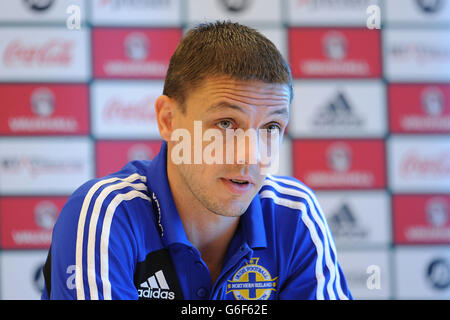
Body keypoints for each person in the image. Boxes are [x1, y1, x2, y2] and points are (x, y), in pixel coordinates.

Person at [41, 21, 352, 300]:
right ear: (168, 120)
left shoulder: (293, 214)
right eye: (226, 124)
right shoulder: (104, 214)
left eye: (271, 127)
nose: (253, 156)